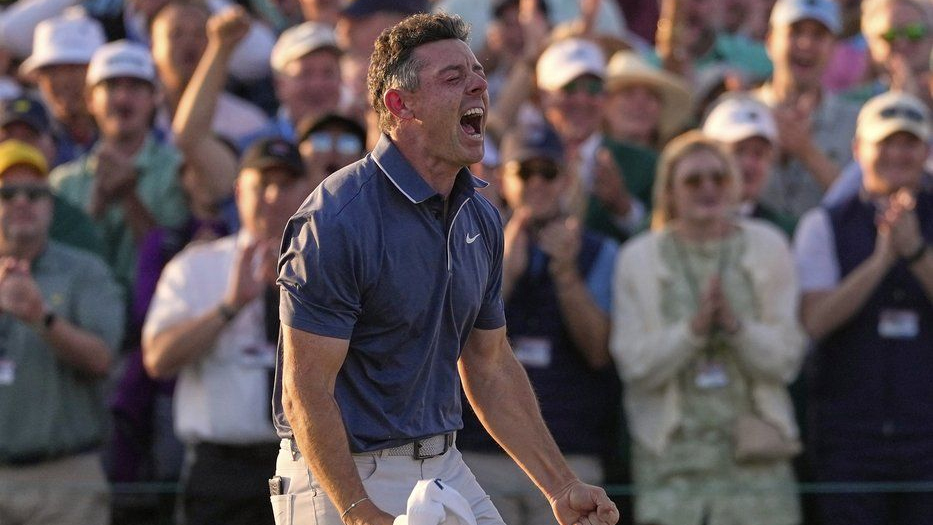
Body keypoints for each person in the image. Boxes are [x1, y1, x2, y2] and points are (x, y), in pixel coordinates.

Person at [272, 12, 619, 525]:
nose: (479, 85)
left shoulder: (481, 215)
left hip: (442, 464)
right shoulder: (336, 219)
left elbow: (489, 365)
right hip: (341, 477)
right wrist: (357, 511)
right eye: (453, 77)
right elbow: (305, 392)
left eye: (478, 72)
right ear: (400, 104)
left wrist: (562, 486)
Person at [611, 131, 805, 525]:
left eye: (719, 177)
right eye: (693, 180)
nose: (708, 188)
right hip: (671, 467)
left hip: (758, 461)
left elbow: (786, 359)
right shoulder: (638, 258)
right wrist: (693, 332)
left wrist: (736, 328)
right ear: (670, 192)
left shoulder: (769, 245)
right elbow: (634, 365)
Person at [457, 121, 622, 525]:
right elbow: (456, 342)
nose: (537, 183)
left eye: (548, 172)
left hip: (571, 453)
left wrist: (566, 274)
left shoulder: (599, 250)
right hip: (482, 453)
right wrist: (504, 275)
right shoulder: (471, 242)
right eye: (524, 171)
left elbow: (598, 351)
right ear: (502, 179)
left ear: (566, 179)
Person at [143, 136, 311, 525]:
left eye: (286, 184)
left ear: (307, 191)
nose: (273, 196)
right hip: (222, 468)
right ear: (238, 191)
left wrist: (296, 299)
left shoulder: (330, 268)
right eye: (262, 184)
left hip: (306, 462)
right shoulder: (196, 266)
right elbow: (157, 359)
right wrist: (229, 307)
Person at [793, 90, 933, 525]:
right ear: (858, 150)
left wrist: (916, 253)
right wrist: (882, 260)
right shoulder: (822, 224)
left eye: (909, 143)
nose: (897, 154)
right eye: (885, 143)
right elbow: (814, 322)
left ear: (926, 152)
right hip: (849, 439)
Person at [0, 139, 124, 525]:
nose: (22, 202)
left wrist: (42, 317)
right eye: (8, 194)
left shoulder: (85, 271)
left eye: (35, 193)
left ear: (51, 206)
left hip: (65, 478)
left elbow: (102, 361)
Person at [50, 40, 190, 297]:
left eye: (135, 86)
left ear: (155, 97)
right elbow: (56, 263)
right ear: (90, 99)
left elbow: (175, 258)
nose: (123, 98)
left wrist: (129, 197)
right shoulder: (62, 182)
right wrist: (97, 206)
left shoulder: (178, 169)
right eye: (111, 86)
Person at [752, 0, 861, 220]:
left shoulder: (856, 122)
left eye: (819, 36)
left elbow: (861, 207)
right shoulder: (736, 110)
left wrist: (806, 152)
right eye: (795, 32)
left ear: (834, 49)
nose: (806, 44)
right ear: (770, 41)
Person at [17, 11, 105, 167]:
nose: (64, 81)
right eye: (52, 71)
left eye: (74, 68)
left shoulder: (131, 131)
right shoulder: (24, 134)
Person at [702, 94, 798, 237]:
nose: (748, 163)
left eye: (759, 154)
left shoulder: (785, 231)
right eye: (737, 151)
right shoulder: (684, 227)